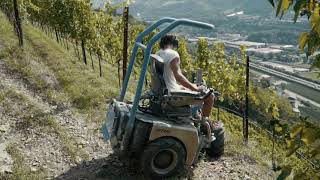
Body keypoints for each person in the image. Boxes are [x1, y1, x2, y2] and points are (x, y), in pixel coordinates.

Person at [156, 34, 215, 121]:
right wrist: (195, 88)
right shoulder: (173, 54)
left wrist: (184, 87)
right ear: (175, 44)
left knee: (188, 88)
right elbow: (178, 77)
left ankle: (197, 117)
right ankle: (204, 123)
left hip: (164, 91)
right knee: (210, 96)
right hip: (172, 96)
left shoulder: (158, 53)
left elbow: (168, 79)